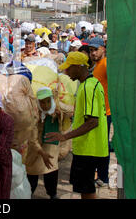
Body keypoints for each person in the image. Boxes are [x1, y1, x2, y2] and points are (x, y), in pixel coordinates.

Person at [45, 52, 108, 199]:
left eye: (68, 68)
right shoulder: (90, 84)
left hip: (89, 148)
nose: (66, 73)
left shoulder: (88, 88)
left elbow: (93, 121)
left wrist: (64, 136)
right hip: (87, 147)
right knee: (85, 188)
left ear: (78, 67)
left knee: (86, 189)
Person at [88, 37, 112, 188]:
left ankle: (103, 177)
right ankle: (99, 174)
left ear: (103, 49)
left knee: (103, 146)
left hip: (105, 112)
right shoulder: (97, 65)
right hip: (98, 111)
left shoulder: (106, 64)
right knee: (98, 145)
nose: (93, 53)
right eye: (91, 51)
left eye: (96, 50)